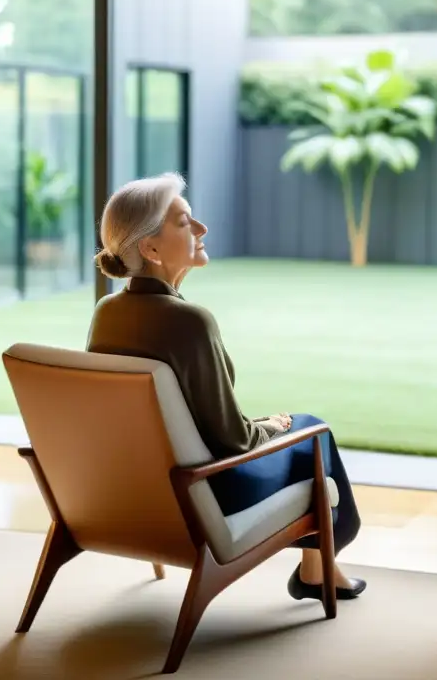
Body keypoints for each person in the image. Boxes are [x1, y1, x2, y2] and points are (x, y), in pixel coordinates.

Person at [87, 172, 365, 601]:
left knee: (296, 431)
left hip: (134, 491)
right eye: (184, 222)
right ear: (151, 248)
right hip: (207, 491)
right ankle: (318, 566)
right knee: (314, 430)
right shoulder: (190, 322)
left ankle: (317, 568)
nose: (201, 230)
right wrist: (274, 426)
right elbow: (233, 442)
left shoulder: (108, 312)